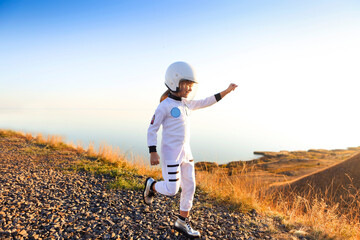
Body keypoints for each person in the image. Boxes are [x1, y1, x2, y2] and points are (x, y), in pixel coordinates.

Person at [144, 61, 237, 239]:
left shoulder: (187, 104)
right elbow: (152, 129)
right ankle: (152, 185)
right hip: (171, 156)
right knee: (172, 190)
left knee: (190, 187)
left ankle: (181, 221)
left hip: (187, 154)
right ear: (174, 82)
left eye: (191, 85)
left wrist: (226, 91)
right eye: (186, 84)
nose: (188, 88)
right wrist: (152, 151)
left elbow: (206, 101)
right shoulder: (164, 106)